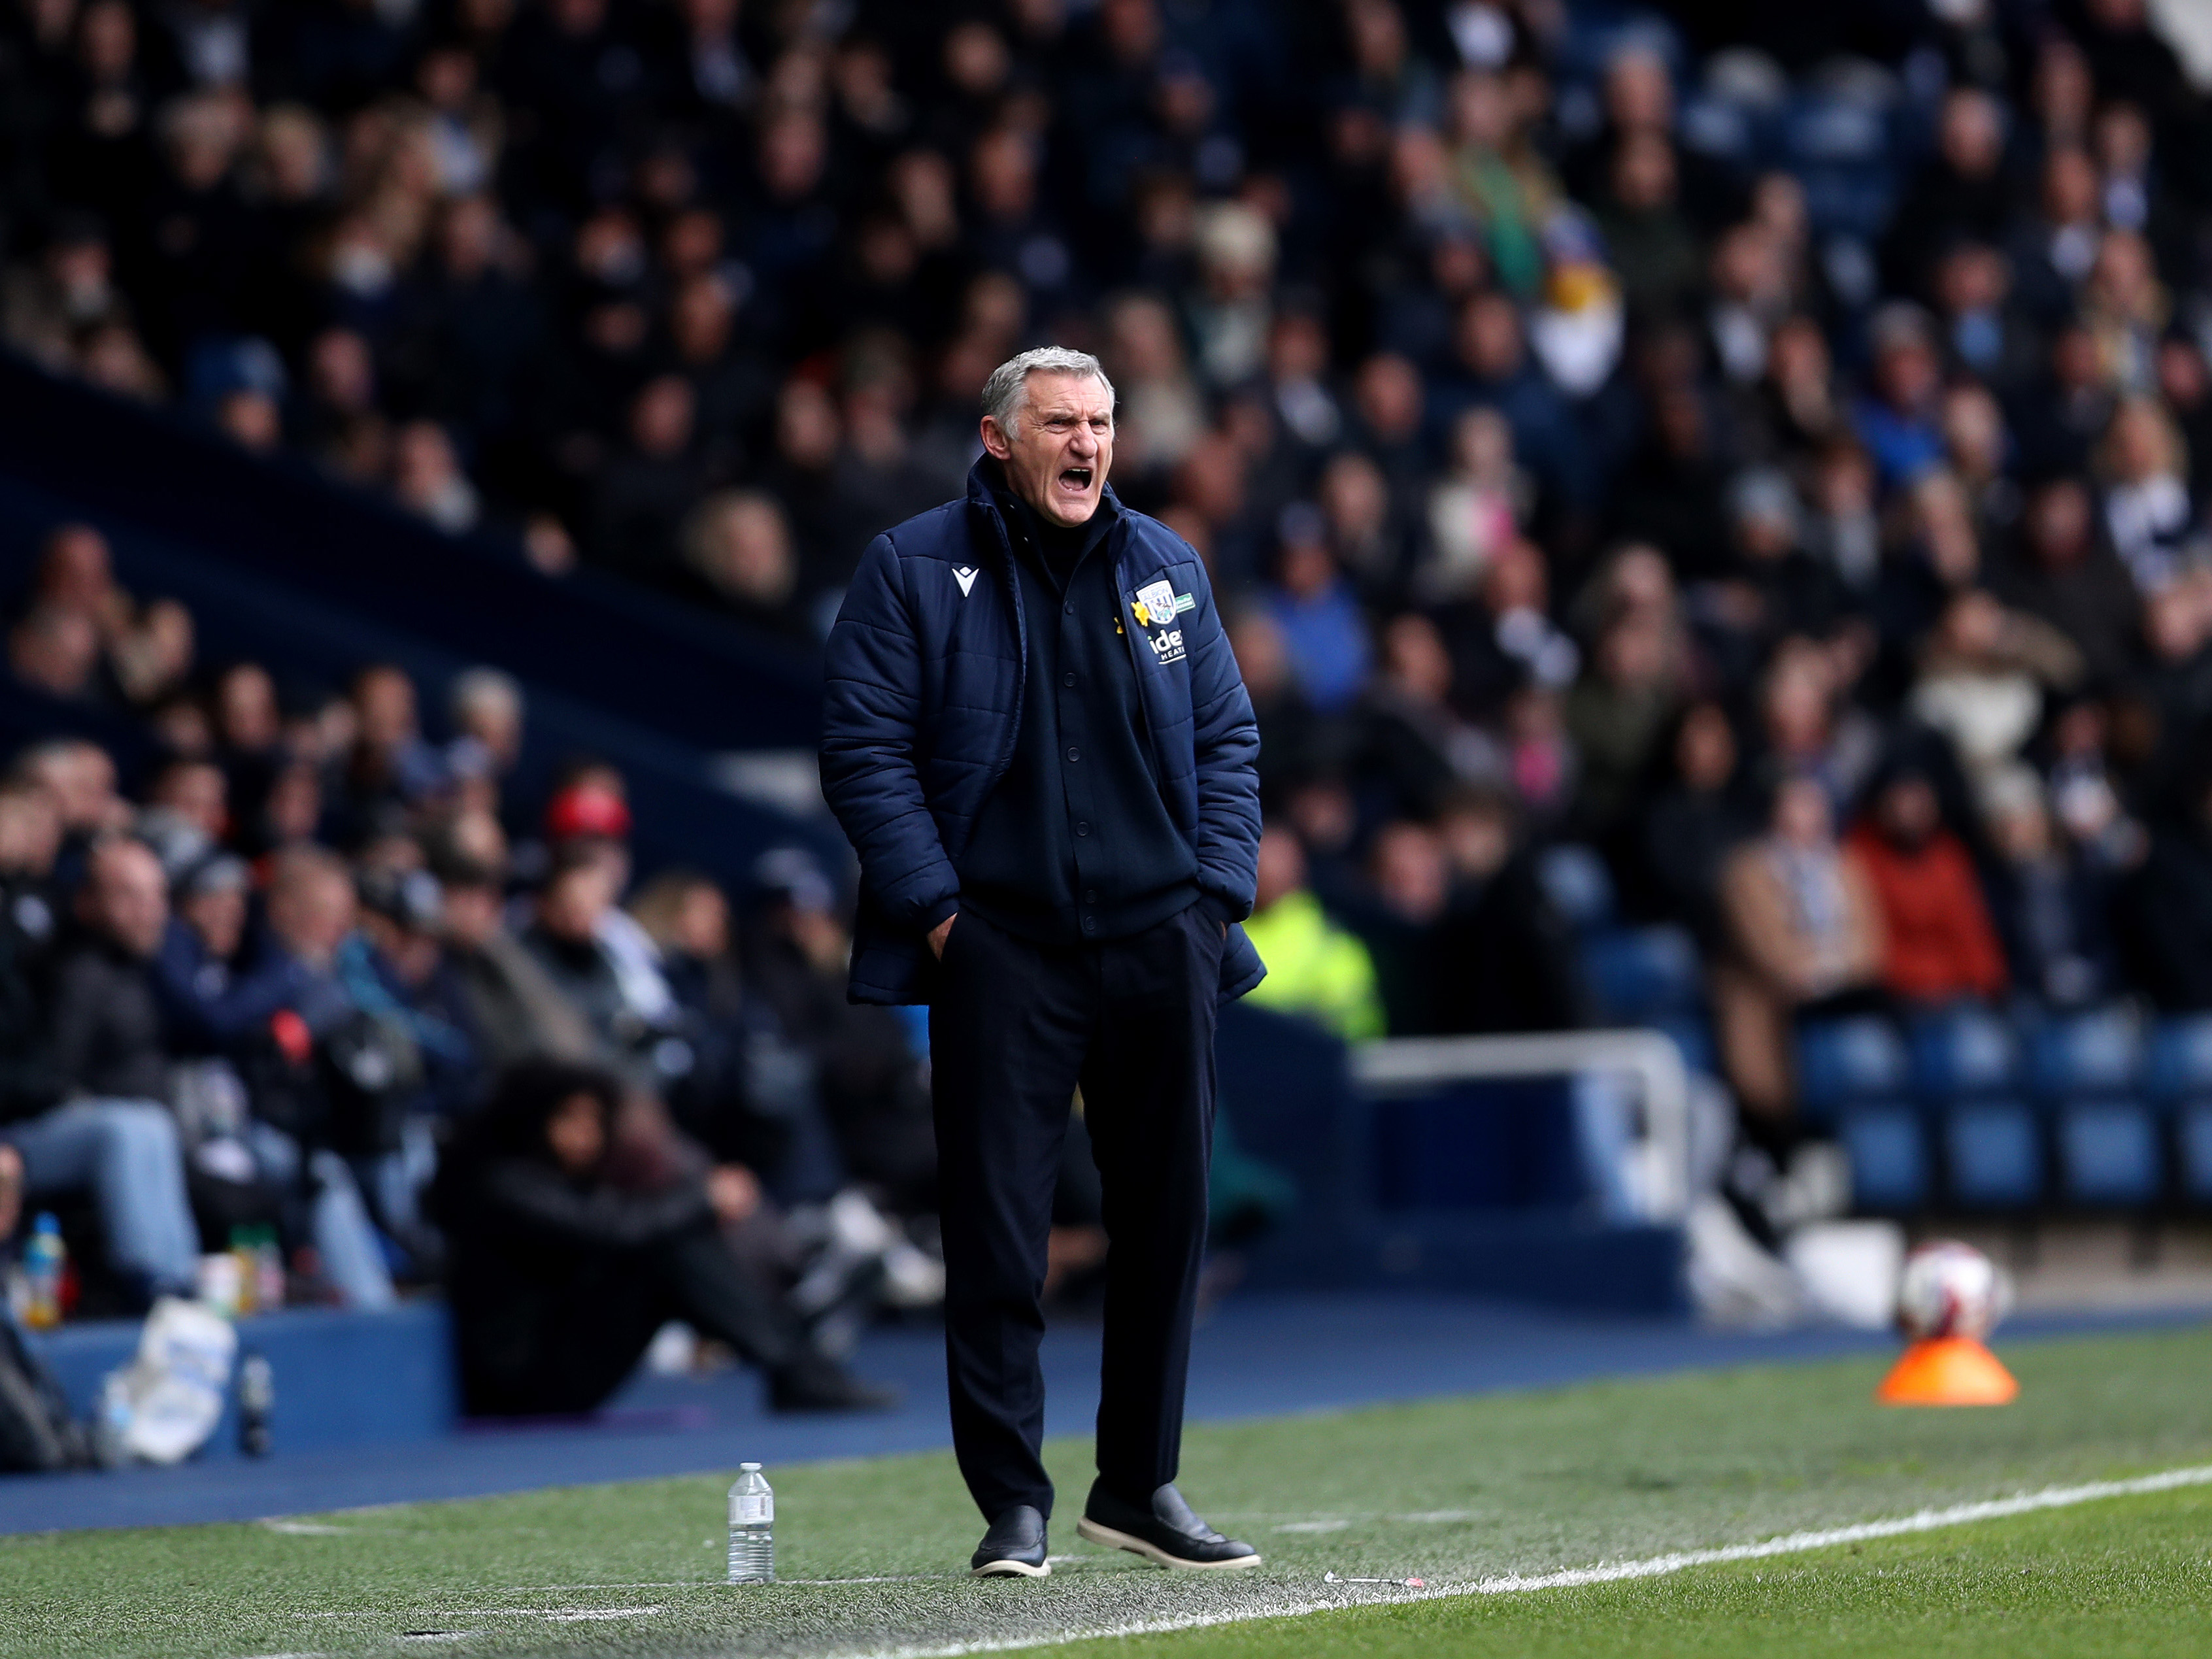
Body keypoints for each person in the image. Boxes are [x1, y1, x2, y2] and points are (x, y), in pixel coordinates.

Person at [820, 346, 1264, 1578]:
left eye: (1103, 422)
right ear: (998, 436)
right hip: (998, 946)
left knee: (1166, 1219)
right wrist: (942, 913)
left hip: (1156, 937)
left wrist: (1213, 898)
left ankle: (1137, 1484)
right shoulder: (911, 564)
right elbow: (862, 747)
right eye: (1061, 422)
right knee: (999, 1234)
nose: (1087, 443)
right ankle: (1010, 1501)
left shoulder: (1163, 565)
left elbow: (1227, 736)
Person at [435, 1060, 890, 1416]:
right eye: (570, 1120)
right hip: (520, 1385)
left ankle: (794, 1357)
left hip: (547, 1361)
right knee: (671, 1247)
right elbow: (616, 1230)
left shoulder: (540, 1178)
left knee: (674, 1241)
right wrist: (703, 1198)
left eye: (594, 1122)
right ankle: (795, 1360)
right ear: (530, 1119)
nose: (586, 1138)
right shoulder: (503, 1183)